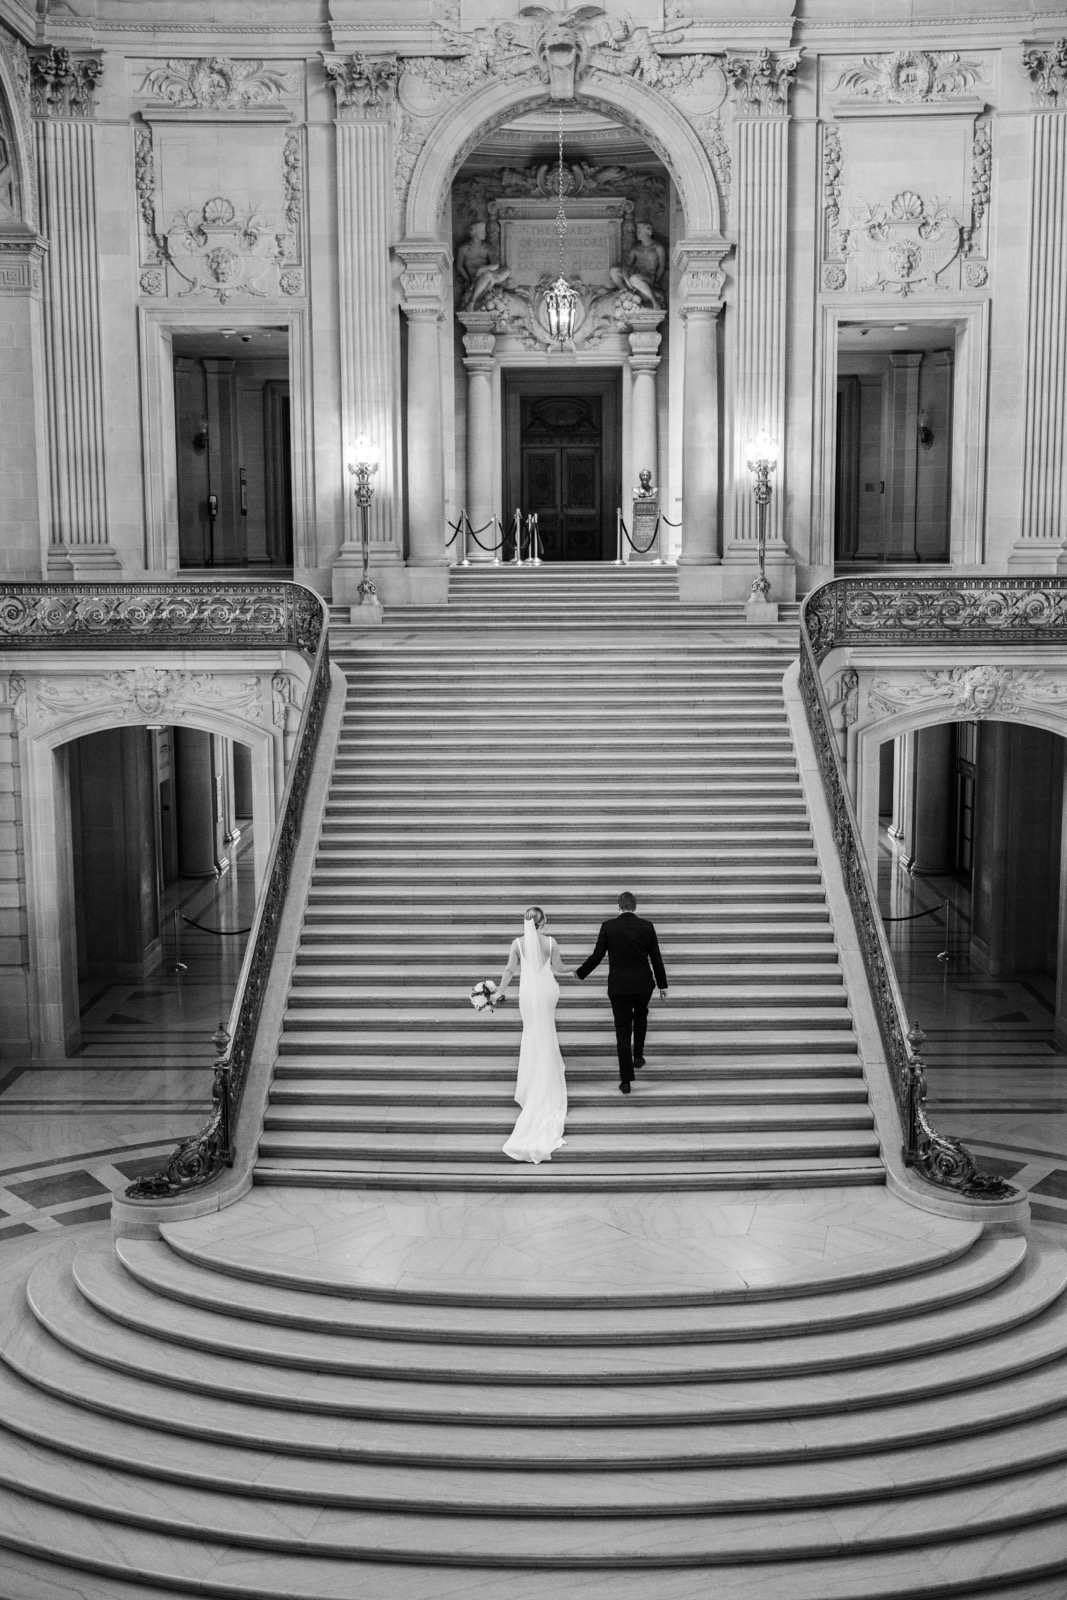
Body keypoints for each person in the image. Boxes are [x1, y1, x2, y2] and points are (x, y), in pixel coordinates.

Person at [494, 907, 575, 1163]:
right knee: (546, 1030)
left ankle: (531, 1082)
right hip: (548, 993)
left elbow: (509, 971)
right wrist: (577, 971)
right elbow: (560, 969)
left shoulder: (517, 944)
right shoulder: (551, 943)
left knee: (532, 1033)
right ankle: (546, 1075)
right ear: (544, 921)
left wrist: (497, 993)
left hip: (528, 997)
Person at [575, 891, 668, 1093]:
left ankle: (626, 1081)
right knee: (641, 1016)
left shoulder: (608, 927)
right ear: (634, 907)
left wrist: (581, 973)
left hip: (619, 987)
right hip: (643, 984)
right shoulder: (647, 926)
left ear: (619, 906)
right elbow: (656, 957)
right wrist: (662, 985)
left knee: (623, 1030)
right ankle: (639, 1057)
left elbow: (597, 956)